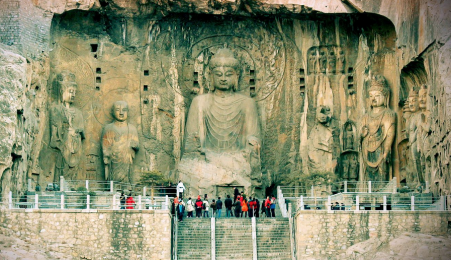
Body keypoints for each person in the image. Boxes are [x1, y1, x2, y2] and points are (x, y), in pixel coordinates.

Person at [50, 71, 85, 182]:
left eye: (75, 92)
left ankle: (72, 184)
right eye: (70, 91)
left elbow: (82, 131)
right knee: (62, 166)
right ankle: (59, 184)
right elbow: (54, 132)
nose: (73, 95)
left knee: (73, 169)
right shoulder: (56, 109)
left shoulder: (78, 112)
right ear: (62, 91)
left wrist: (76, 131)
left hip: (75, 144)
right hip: (64, 144)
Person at [102, 101, 139, 184]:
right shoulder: (108, 128)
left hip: (126, 160)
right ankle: (113, 188)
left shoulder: (132, 129)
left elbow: (137, 145)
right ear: (113, 112)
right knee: (113, 180)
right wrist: (106, 156)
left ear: (128, 112)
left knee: (126, 179)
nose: (121, 113)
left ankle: (127, 187)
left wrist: (133, 144)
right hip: (113, 160)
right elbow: (105, 145)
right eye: (118, 110)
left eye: (124, 110)